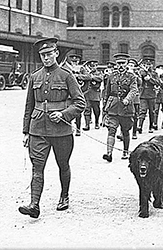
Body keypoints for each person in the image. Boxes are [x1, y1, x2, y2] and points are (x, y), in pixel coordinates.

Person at [19, 37, 86, 218]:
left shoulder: (66, 76)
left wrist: (64, 114)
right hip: (37, 129)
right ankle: (34, 205)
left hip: (61, 131)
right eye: (43, 55)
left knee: (63, 164)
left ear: (56, 53)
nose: (46, 58)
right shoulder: (35, 77)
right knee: (37, 167)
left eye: (49, 54)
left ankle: (64, 196)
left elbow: (80, 103)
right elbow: (29, 106)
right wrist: (26, 131)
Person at [102, 53, 138, 162]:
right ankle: (109, 153)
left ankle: (125, 151)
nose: (120, 66)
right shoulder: (111, 76)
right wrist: (105, 108)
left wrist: (127, 99)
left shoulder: (132, 77)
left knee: (125, 131)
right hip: (112, 107)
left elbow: (134, 90)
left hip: (125, 108)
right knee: (111, 130)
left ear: (127, 64)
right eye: (118, 63)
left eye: (122, 63)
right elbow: (107, 92)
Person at [62, 54, 90, 136]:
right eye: (73, 61)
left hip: (77, 93)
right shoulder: (66, 68)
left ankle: (78, 129)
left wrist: (78, 76)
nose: (74, 62)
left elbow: (88, 77)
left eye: (76, 61)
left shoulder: (81, 68)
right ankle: (69, 128)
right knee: (67, 111)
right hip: (67, 95)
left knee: (78, 113)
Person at [137, 57, 159, 133]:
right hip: (143, 94)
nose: (148, 66)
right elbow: (139, 80)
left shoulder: (154, 74)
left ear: (152, 65)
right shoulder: (142, 72)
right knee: (142, 110)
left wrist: (150, 79)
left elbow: (157, 82)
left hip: (152, 95)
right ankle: (140, 126)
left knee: (152, 112)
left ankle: (150, 127)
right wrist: (143, 74)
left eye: (149, 64)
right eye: (146, 64)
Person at [82, 60, 103, 131]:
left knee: (96, 110)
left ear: (96, 66)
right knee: (87, 110)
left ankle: (97, 122)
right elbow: (82, 77)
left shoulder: (99, 73)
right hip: (87, 94)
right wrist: (89, 76)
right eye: (91, 66)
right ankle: (87, 125)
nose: (92, 68)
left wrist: (90, 77)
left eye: (94, 66)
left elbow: (100, 79)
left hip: (95, 95)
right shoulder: (87, 73)